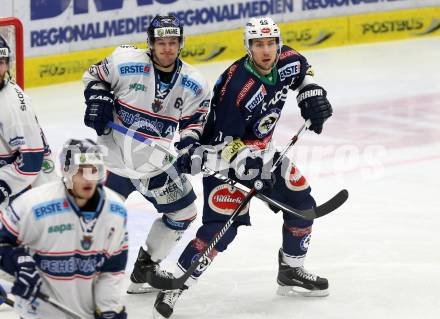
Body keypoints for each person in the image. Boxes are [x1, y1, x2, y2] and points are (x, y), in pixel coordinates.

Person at [150, 17, 334, 318]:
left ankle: (291, 269)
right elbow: (223, 143)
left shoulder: (286, 58)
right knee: (221, 230)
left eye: (271, 43)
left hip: (263, 154)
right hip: (220, 159)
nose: (266, 50)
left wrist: (311, 92)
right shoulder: (237, 88)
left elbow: (303, 72)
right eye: (258, 44)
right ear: (248, 47)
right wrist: (243, 163)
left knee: (302, 202)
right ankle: (174, 286)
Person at [82, 15, 211, 294]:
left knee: (184, 212)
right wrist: (98, 98)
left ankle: (145, 269)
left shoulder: (194, 82)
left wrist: (189, 145)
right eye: (161, 42)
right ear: (150, 43)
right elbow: (95, 76)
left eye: (173, 42)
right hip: (112, 160)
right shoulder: (124, 61)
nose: (167, 48)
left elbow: (194, 122)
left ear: (181, 43)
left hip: (153, 163)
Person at [0, 138, 128, 318]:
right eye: (80, 171)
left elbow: (111, 270)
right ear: (67, 171)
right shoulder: (31, 206)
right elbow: (3, 245)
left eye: (93, 170)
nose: (87, 178)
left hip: (87, 311)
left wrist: (108, 311)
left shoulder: (116, 211)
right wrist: (19, 265)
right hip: (38, 313)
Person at [0, 35, 57, 208]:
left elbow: (30, 164)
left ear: (8, 65)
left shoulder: (13, 107)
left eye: (1, 62)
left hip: (30, 186)